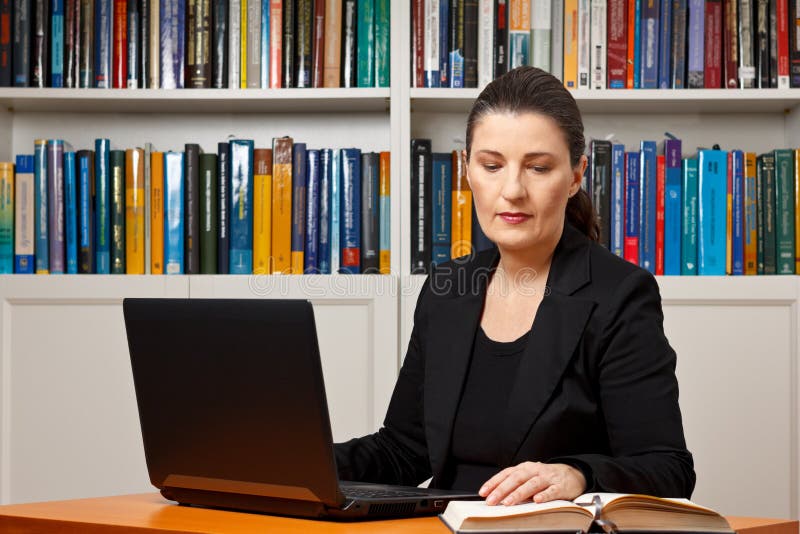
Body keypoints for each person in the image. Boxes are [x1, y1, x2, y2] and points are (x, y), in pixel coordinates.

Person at [334, 66, 695, 507]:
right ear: (466, 170)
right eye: (492, 165)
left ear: (576, 175)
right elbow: (404, 451)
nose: (512, 190)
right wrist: (296, 460)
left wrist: (578, 475)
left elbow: (668, 468)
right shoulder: (448, 286)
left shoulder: (619, 294)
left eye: (538, 168)